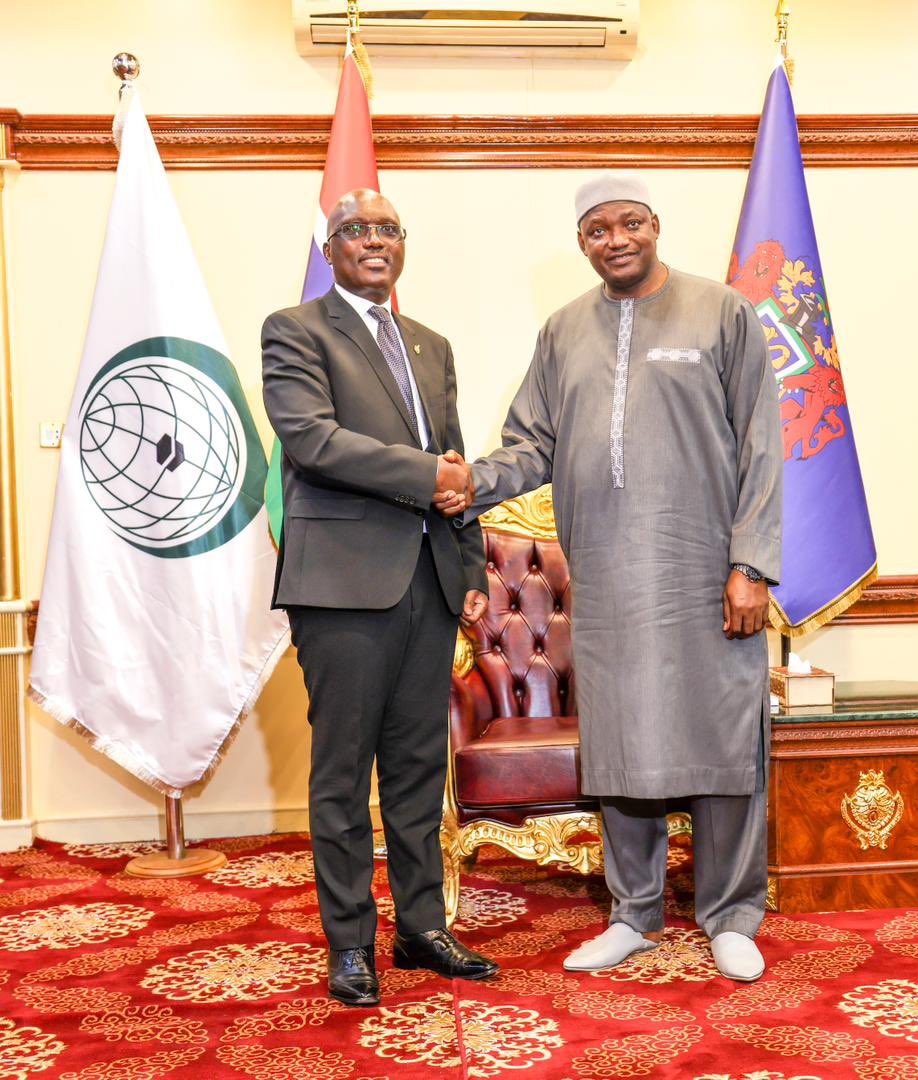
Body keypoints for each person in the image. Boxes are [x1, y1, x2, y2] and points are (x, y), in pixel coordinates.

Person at [441, 172, 782, 982]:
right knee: (624, 743)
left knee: (723, 738)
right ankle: (633, 913)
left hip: (707, 572)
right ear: (584, 243)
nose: (617, 239)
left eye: (630, 223)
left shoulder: (720, 312)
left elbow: (763, 447)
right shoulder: (565, 331)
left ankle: (731, 914)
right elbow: (530, 443)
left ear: (655, 225)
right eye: (599, 230)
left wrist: (751, 565)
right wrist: (469, 481)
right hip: (610, 573)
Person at [261, 188, 497, 1007]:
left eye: (389, 229)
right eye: (355, 230)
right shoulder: (294, 331)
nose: (374, 240)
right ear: (330, 249)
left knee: (417, 766)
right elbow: (311, 440)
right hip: (342, 588)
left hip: (428, 585)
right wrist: (427, 475)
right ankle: (350, 943)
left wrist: (468, 573)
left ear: (404, 246)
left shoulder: (431, 346)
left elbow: (457, 463)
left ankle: (422, 929)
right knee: (341, 774)